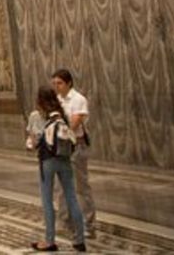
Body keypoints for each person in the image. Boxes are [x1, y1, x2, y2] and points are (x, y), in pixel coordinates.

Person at [26, 86, 87, 252]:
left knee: (47, 200)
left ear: (39, 99)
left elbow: (34, 141)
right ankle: (80, 239)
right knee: (71, 198)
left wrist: (32, 142)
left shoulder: (35, 115)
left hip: (47, 161)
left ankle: (49, 241)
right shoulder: (63, 115)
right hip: (65, 159)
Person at [52, 68, 96, 236]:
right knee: (60, 187)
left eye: (60, 83)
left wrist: (57, 128)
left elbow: (73, 124)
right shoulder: (57, 101)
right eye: (55, 84)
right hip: (60, 148)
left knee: (80, 186)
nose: (57, 87)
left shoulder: (78, 100)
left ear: (69, 83)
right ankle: (65, 222)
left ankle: (88, 225)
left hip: (76, 146)